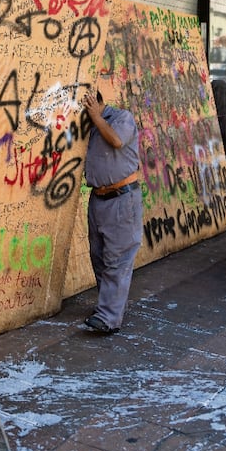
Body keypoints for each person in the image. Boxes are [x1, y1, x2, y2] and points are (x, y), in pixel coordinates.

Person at [81, 89, 142, 334]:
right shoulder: (89, 124)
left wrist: (96, 117)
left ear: (95, 101)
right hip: (99, 198)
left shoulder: (121, 118)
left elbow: (116, 141)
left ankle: (108, 318)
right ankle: (109, 308)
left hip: (122, 198)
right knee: (98, 255)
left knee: (118, 258)